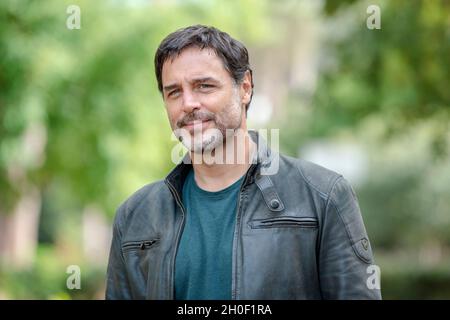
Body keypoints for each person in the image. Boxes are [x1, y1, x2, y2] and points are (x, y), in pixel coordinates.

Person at [105, 25, 381, 300]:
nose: (188, 103)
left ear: (245, 88)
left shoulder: (323, 197)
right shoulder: (134, 217)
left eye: (204, 86)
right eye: (174, 92)